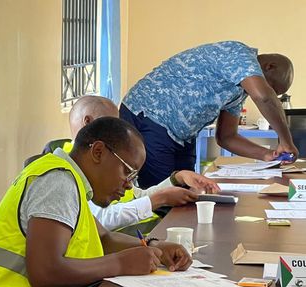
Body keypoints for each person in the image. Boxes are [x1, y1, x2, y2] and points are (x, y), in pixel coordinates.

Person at [0, 117, 192, 287]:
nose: (128, 185)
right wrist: (119, 263)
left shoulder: (72, 182)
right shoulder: (57, 181)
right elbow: (44, 273)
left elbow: (103, 239)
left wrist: (153, 246)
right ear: (98, 152)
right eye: (127, 172)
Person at [121, 41, 297, 188]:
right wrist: (286, 141)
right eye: (272, 89)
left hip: (180, 136)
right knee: (163, 197)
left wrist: (266, 155)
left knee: (186, 192)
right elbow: (264, 97)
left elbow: (227, 137)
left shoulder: (238, 91)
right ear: (269, 67)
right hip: (149, 116)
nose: (270, 94)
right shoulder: (239, 54)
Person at [66, 96, 220, 231]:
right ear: (88, 123)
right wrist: (158, 200)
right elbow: (101, 219)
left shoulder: (110, 161)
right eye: (112, 125)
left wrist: (177, 178)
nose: (121, 132)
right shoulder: (77, 168)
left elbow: (138, 196)